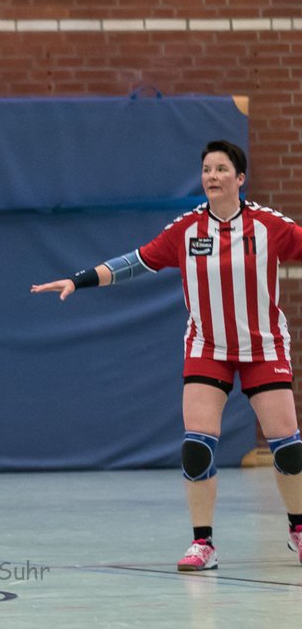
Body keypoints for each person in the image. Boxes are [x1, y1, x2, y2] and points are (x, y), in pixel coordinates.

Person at [32, 140, 302, 571]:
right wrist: (78, 280)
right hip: (207, 348)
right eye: (206, 169)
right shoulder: (187, 231)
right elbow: (136, 261)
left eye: (220, 169)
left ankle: (298, 528)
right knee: (197, 446)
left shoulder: (270, 227)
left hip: (262, 346)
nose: (211, 176)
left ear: (240, 178)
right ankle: (203, 543)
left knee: (289, 450)